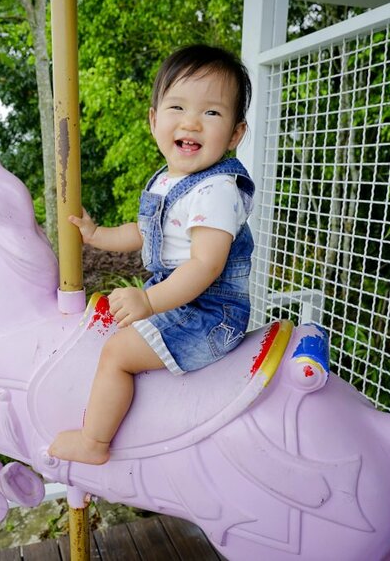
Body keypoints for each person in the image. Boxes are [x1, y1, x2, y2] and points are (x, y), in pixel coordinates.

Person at [49, 44, 255, 465]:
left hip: (209, 312)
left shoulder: (216, 191)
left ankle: (95, 443)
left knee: (117, 353)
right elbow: (144, 232)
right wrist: (96, 233)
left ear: (235, 133)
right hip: (177, 298)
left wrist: (147, 301)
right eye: (177, 107)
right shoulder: (167, 181)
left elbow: (205, 265)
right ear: (154, 120)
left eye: (212, 113)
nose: (192, 122)